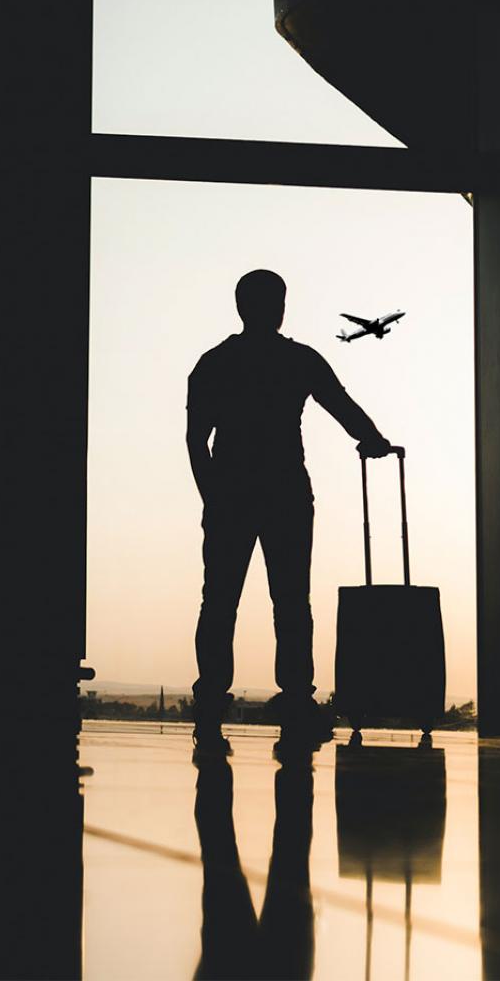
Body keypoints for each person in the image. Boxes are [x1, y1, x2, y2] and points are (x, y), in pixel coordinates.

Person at [186, 269, 392, 753]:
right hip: (285, 492)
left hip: (231, 493)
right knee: (292, 603)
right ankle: (297, 700)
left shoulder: (215, 363)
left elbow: (198, 440)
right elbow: (339, 404)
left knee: (219, 603)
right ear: (279, 307)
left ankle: (211, 705)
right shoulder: (297, 359)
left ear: (240, 307)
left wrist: (212, 496)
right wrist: (373, 439)